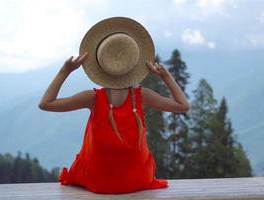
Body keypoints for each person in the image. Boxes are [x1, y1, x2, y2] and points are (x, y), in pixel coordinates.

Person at [38, 17, 190, 194]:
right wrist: (165, 76)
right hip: (137, 179)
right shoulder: (143, 97)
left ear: (100, 65)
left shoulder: (92, 98)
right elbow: (183, 106)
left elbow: (45, 103)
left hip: (98, 181)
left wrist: (65, 70)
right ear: (134, 64)